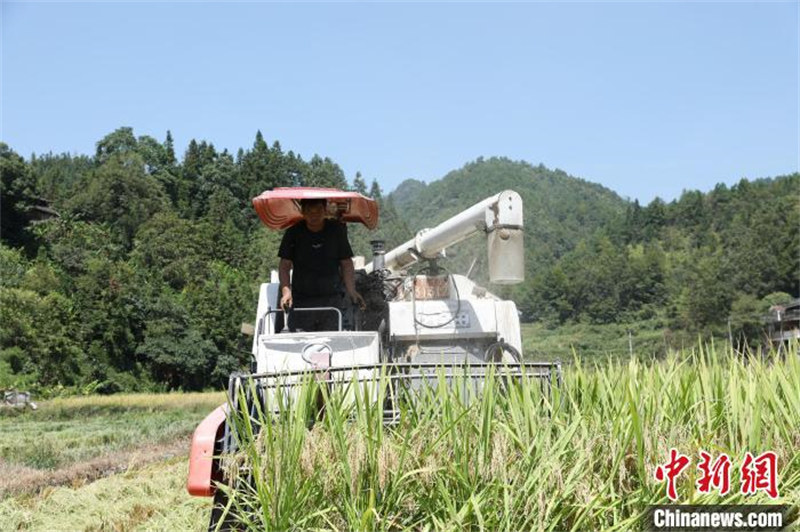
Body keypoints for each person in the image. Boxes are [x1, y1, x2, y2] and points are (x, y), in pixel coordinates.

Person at [278, 198, 366, 332]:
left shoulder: (336, 231)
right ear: (302, 212)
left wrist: (351, 290)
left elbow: (346, 264)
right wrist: (286, 292)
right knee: (302, 344)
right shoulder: (293, 233)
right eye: (309, 211)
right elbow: (284, 266)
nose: (314, 215)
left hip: (331, 301)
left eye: (318, 210)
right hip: (302, 301)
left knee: (332, 344)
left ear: (325, 210)